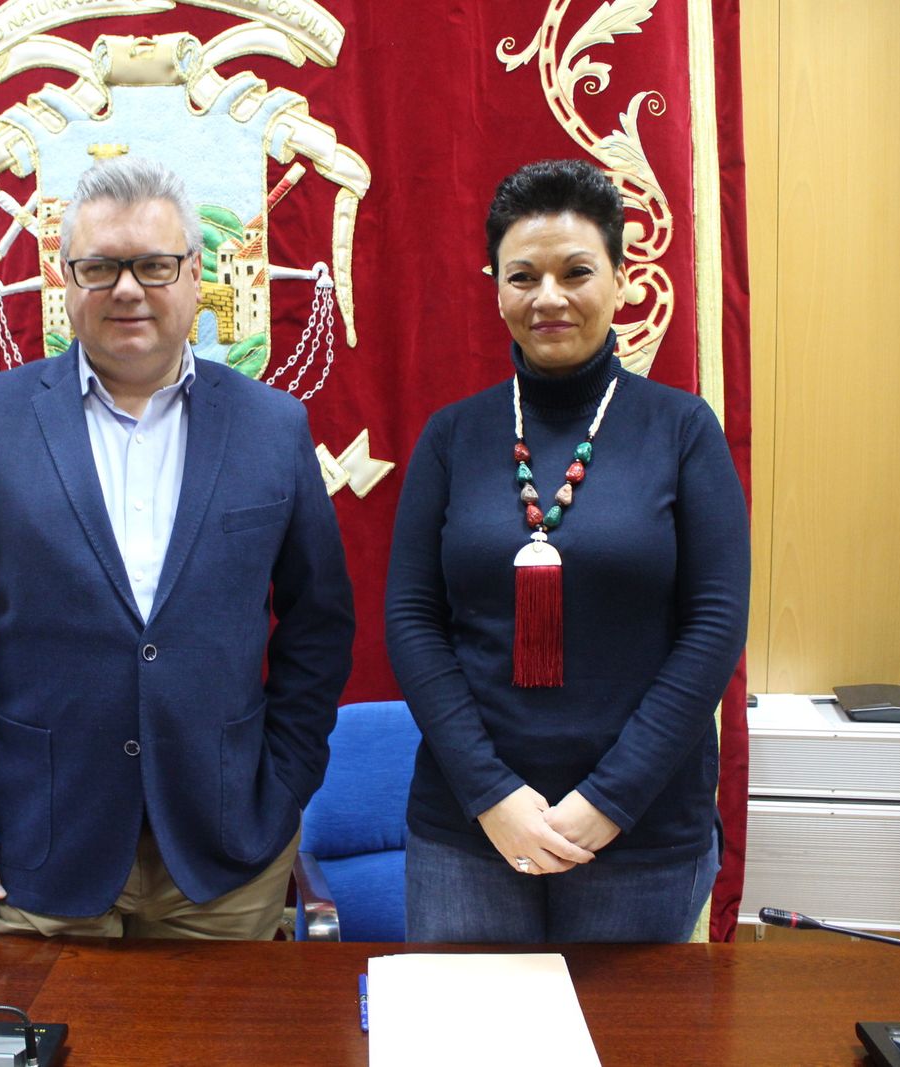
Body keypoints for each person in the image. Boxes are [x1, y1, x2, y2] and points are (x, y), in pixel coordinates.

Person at [0, 156, 354, 939]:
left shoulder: (274, 427)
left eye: (154, 264)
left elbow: (320, 623)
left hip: (226, 855)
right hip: (37, 850)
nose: (128, 289)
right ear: (64, 278)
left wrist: (283, 787)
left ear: (196, 272)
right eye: (100, 266)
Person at [384, 159, 750, 942]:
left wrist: (608, 800)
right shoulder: (453, 436)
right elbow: (413, 622)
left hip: (641, 830)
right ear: (497, 290)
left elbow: (714, 627)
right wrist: (491, 794)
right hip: (471, 831)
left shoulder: (684, 431)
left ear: (622, 281)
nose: (548, 297)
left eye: (576, 271)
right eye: (523, 276)